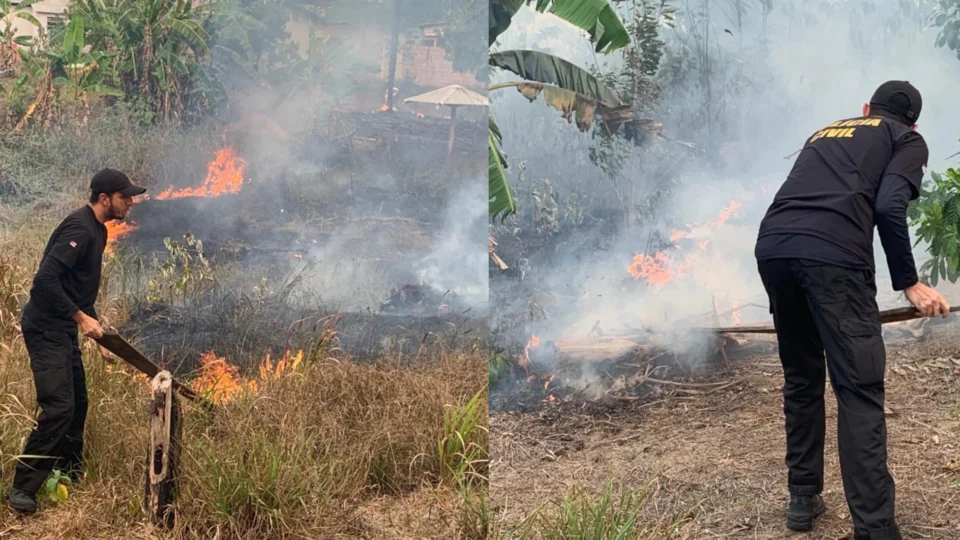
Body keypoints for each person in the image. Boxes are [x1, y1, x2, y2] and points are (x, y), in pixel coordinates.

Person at [754, 80, 950, 540]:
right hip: (833, 258)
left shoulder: (825, 132)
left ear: (865, 108)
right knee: (859, 390)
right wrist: (910, 283)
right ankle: (876, 530)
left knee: (802, 377)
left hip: (774, 247)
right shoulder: (906, 138)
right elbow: (889, 204)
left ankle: (803, 497)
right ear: (914, 122)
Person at [5, 169, 145, 514]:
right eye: (124, 196)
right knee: (59, 407)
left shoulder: (97, 229)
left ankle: (66, 472)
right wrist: (80, 318)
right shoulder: (80, 228)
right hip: (45, 327)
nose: (130, 202)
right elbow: (45, 281)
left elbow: (77, 287)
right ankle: (22, 488)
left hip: (63, 326)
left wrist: (96, 331)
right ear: (104, 199)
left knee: (78, 402)